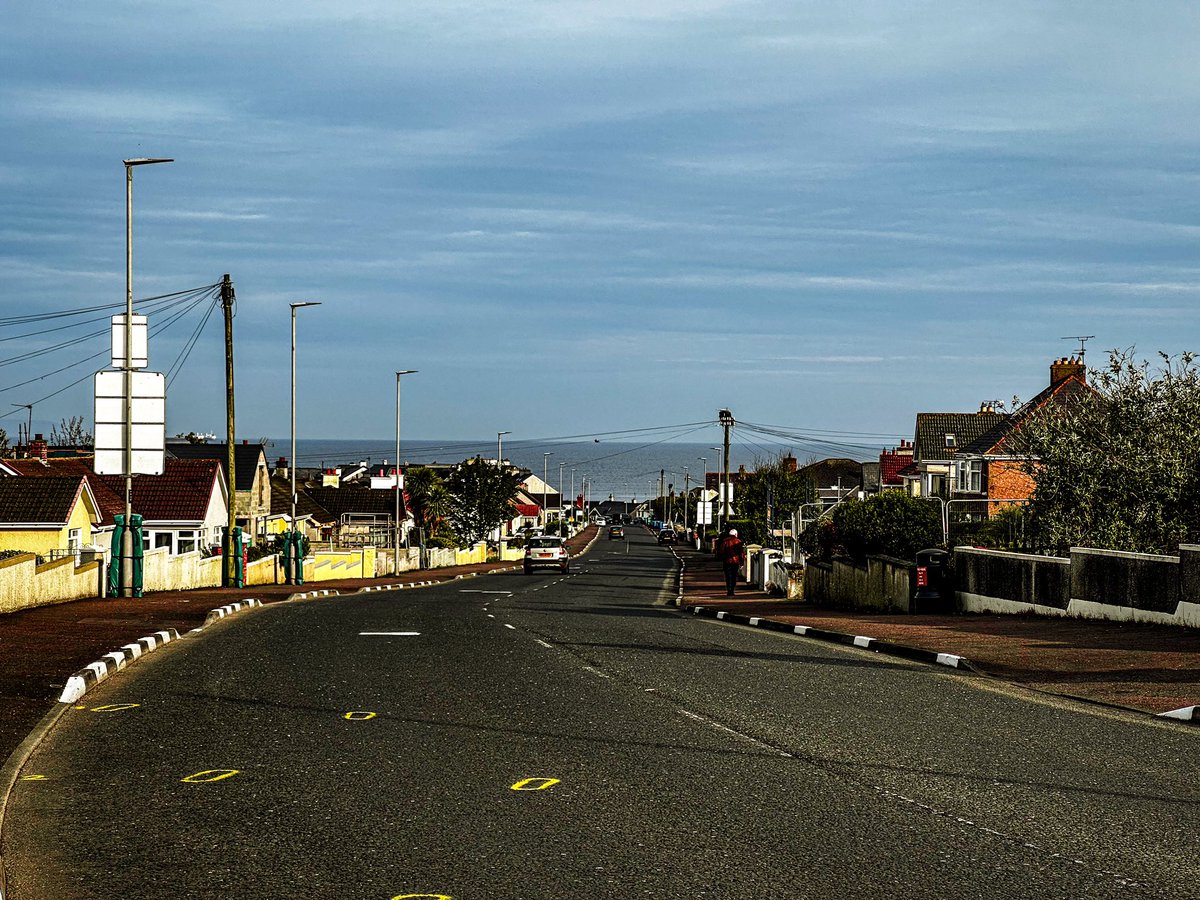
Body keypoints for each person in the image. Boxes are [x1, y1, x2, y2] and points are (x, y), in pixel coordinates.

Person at [715, 528, 745, 596]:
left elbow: (721, 552)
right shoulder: (738, 541)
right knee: (734, 576)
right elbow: (741, 553)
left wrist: (723, 558)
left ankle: (729, 589)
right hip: (735, 562)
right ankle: (732, 590)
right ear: (735, 534)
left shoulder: (725, 541)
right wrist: (742, 563)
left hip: (726, 562)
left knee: (728, 576)